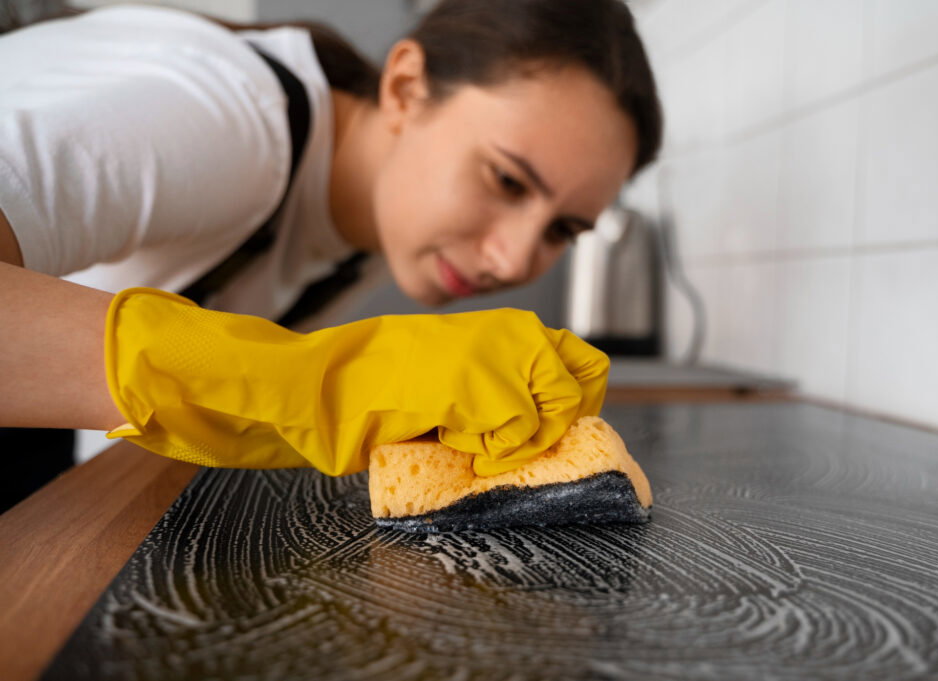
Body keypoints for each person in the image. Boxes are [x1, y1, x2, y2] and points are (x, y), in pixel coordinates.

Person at [0, 0, 662, 510]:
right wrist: (319, 382)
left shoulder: (368, 238)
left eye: (562, 230)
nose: (514, 260)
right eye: (506, 180)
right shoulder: (227, 118)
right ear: (405, 88)